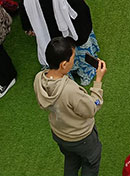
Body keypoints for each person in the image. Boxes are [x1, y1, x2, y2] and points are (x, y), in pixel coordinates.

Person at [23, 0, 99, 85]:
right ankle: (86, 74)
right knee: (81, 49)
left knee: (60, 54)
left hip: (51, 32)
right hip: (75, 26)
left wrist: (28, 27)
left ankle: (66, 77)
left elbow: (24, 7)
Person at [34, 36, 107, 176]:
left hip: (59, 135)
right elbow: (91, 108)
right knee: (91, 162)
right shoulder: (70, 90)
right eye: (73, 58)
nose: (74, 61)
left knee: (71, 159)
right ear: (63, 64)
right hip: (81, 139)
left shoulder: (39, 78)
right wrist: (98, 81)